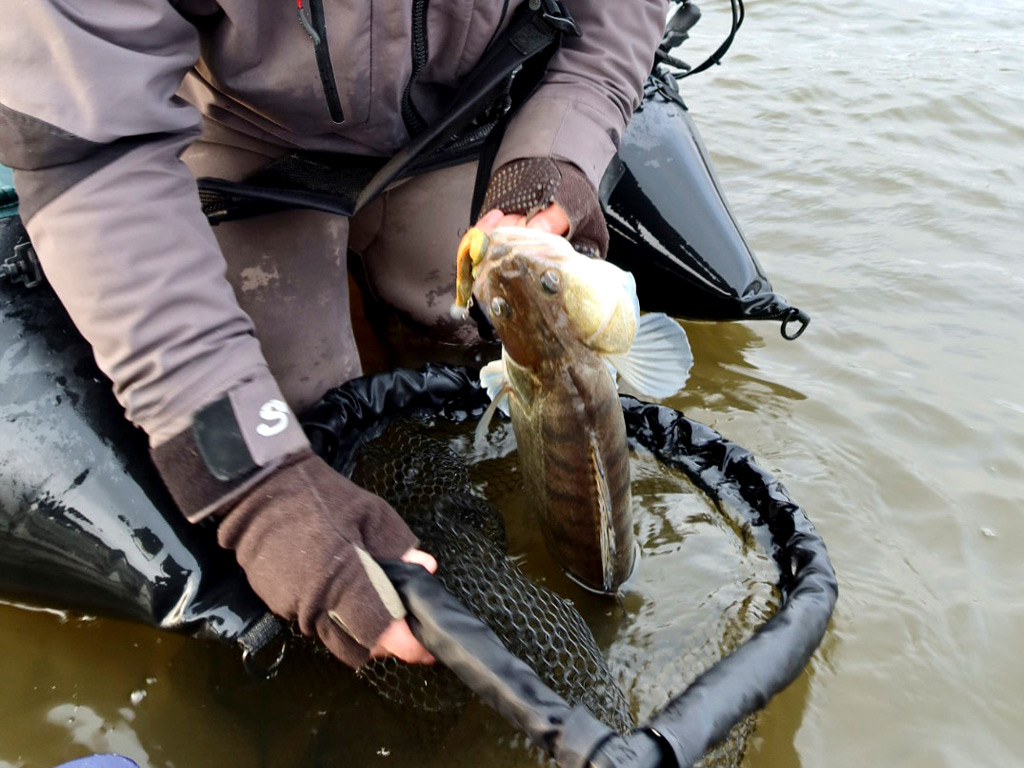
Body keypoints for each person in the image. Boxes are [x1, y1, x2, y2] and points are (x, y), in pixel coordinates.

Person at [0, 0, 669, 668]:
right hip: (245, 132)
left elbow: (615, 18)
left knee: (453, 330)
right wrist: (260, 494)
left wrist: (556, 157)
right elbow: (91, 154)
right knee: (306, 415)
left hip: (464, 111)